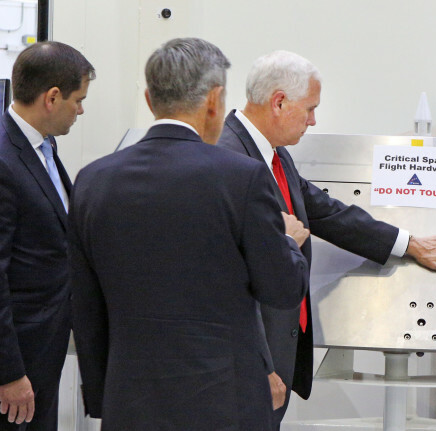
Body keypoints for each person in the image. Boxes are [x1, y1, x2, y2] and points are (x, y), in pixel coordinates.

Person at [216, 50, 436, 428]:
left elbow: (324, 211)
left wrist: (407, 243)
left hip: (278, 349)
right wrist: (260, 365)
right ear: (279, 102)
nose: (313, 120)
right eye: (309, 109)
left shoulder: (274, 155)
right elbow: (227, 280)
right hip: (249, 362)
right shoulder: (228, 158)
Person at [68, 38, 310, 431]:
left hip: (130, 403)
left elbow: (86, 305)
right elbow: (281, 289)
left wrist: (102, 396)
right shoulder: (242, 178)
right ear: (214, 101)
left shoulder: (93, 181)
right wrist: (287, 242)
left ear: (149, 99)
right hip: (225, 404)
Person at [0, 41, 94, 430]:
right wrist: (8, 373)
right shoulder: (5, 160)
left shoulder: (43, 147)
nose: (81, 110)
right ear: (52, 97)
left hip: (44, 350)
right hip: (17, 364)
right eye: (78, 100)